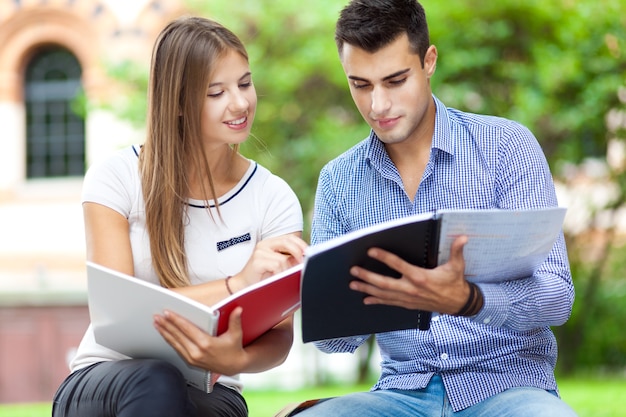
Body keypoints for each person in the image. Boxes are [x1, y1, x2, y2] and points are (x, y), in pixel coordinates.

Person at [295, 0, 578, 416]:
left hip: (507, 385)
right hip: (401, 394)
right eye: (360, 85)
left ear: (429, 61)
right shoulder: (338, 181)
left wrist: (469, 299)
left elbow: (558, 298)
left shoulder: (506, 148)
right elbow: (335, 343)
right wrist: (312, 287)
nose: (378, 106)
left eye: (395, 80)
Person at [52, 16, 308, 417]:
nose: (240, 103)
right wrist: (236, 284)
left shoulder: (273, 199)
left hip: (211, 388)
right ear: (177, 102)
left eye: (244, 83)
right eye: (216, 92)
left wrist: (234, 362)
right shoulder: (115, 179)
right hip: (107, 379)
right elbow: (117, 315)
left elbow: (280, 337)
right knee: (156, 380)